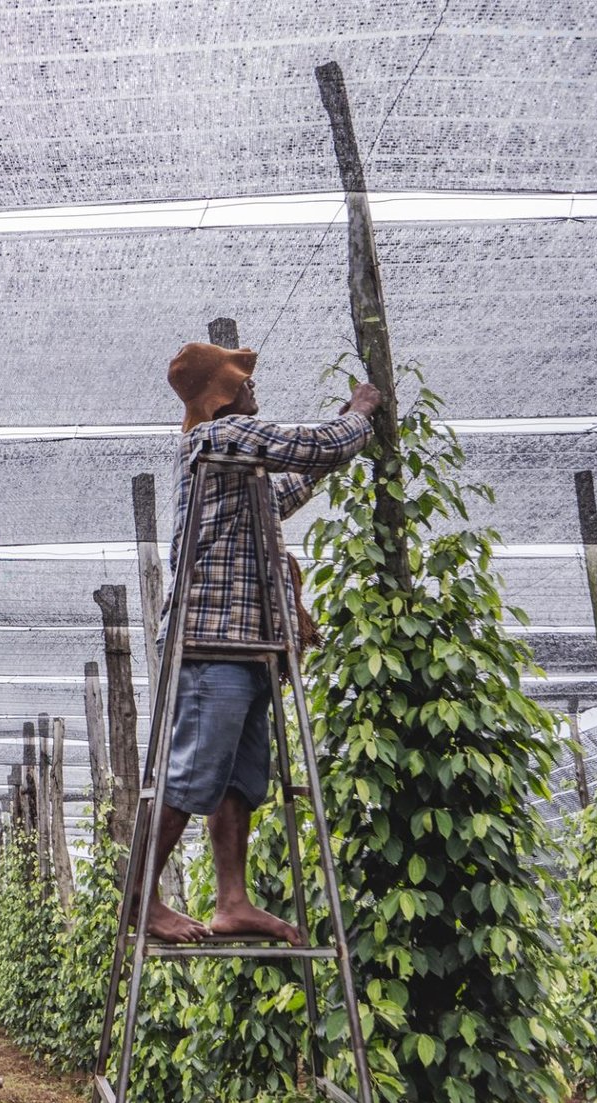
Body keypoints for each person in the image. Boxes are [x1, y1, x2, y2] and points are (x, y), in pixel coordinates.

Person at [138, 343, 383, 944]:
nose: (255, 393)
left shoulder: (238, 471)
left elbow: (294, 482)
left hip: (251, 649)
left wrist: (341, 444)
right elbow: (310, 445)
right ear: (224, 397)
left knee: (239, 779)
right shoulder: (213, 441)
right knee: (191, 774)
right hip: (210, 643)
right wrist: (360, 411)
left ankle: (232, 901)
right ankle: (141, 899)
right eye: (246, 385)